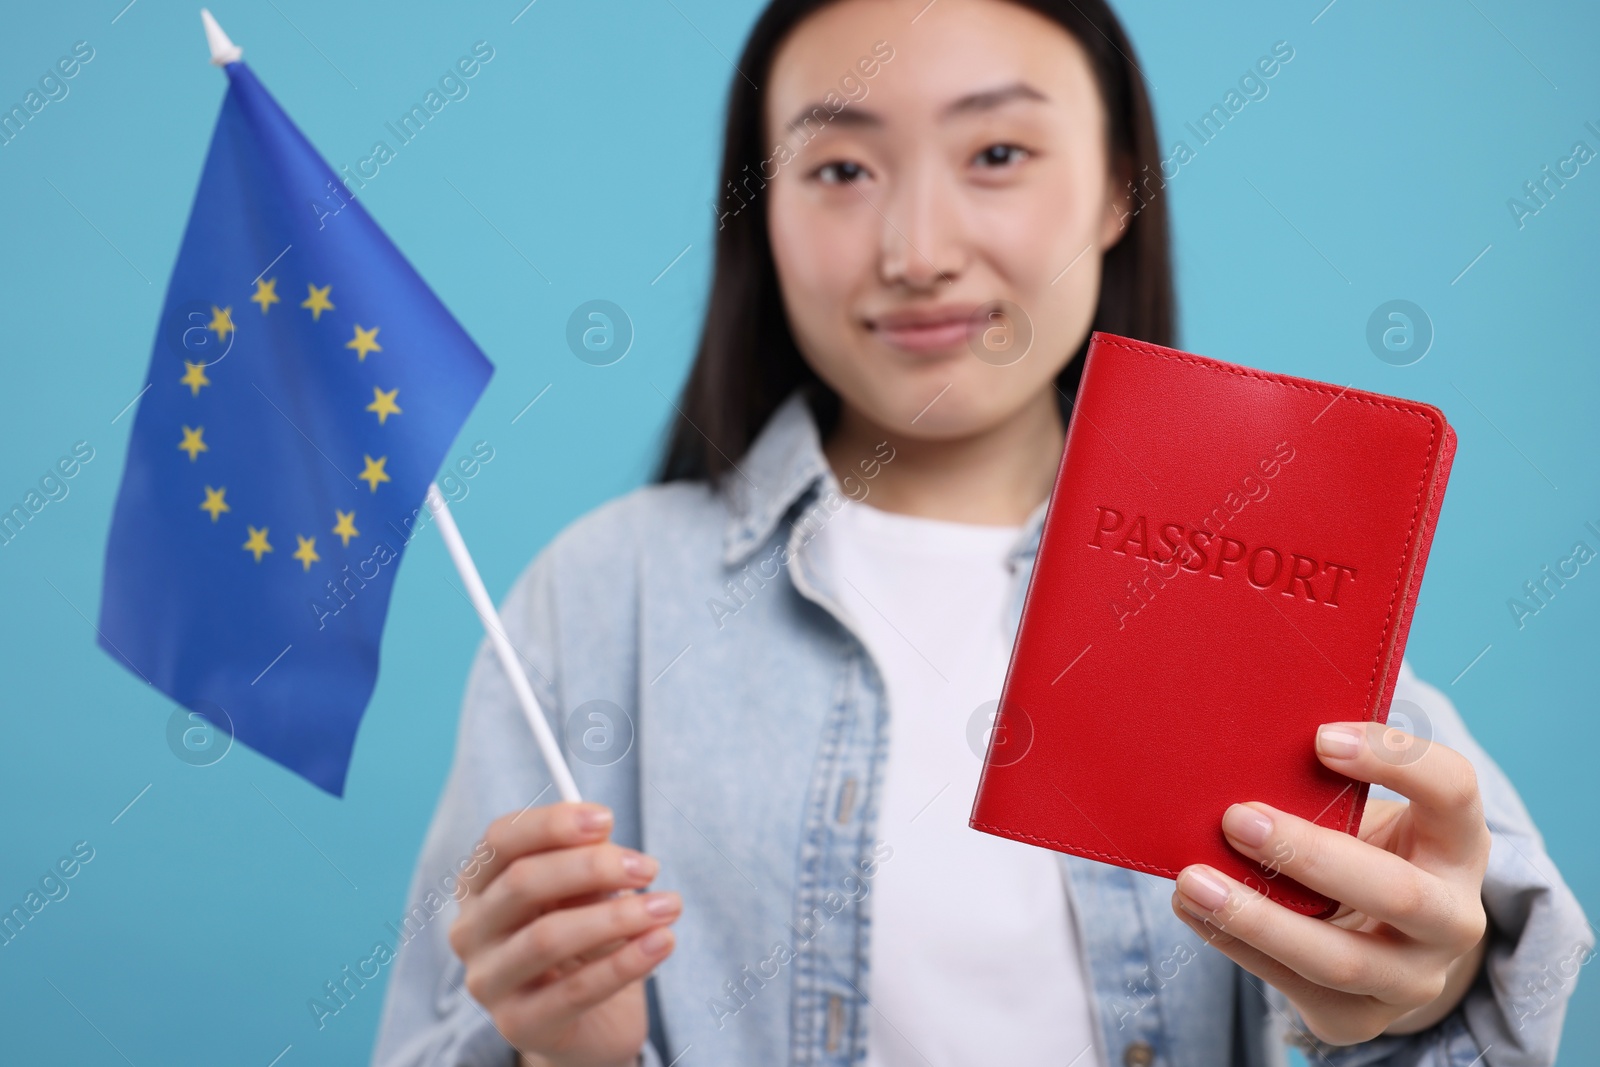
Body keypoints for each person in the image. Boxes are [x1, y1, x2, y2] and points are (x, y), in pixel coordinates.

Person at [371, 1, 1593, 1064]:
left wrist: (1410, 1004)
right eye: (839, 169)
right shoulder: (598, 596)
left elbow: (1458, 969)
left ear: (1119, 186)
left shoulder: (1261, 557)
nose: (916, 252)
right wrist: (559, 1054)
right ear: (761, 208)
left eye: (997, 151)